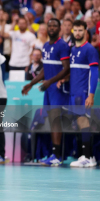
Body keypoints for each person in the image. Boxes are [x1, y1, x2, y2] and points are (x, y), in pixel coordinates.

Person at [22, 18, 70, 166]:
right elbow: (45, 70)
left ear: (59, 28)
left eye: (55, 26)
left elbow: (66, 68)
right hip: (48, 90)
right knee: (51, 121)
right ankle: (54, 154)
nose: (52, 28)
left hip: (58, 90)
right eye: (50, 26)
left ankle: (57, 155)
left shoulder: (62, 45)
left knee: (56, 121)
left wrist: (51, 81)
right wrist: (31, 83)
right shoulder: (46, 46)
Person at [59, 20, 98, 167]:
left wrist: (91, 94)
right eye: (75, 30)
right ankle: (85, 155)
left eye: (80, 30)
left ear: (85, 32)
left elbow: (94, 74)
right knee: (78, 124)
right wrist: (64, 79)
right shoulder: (73, 49)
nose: (77, 33)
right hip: (73, 93)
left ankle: (88, 157)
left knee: (84, 122)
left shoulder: (90, 49)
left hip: (83, 92)